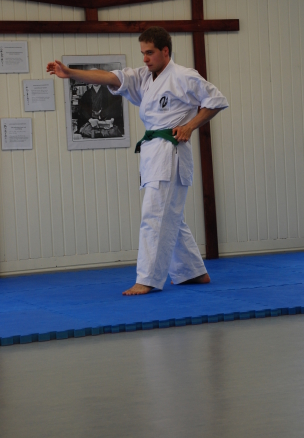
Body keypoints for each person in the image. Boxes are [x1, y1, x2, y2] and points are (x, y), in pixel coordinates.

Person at [47, 27, 229, 296]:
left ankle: (148, 279)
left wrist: (191, 126)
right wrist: (70, 73)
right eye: (143, 53)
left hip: (170, 152)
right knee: (170, 216)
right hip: (153, 152)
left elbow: (216, 100)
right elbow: (109, 77)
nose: (145, 58)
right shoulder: (144, 77)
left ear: (165, 51)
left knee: (155, 215)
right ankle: (193, 272)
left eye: (150, 53)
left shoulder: (183, 76)